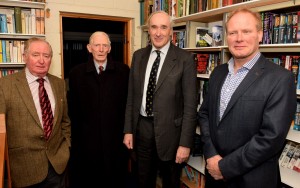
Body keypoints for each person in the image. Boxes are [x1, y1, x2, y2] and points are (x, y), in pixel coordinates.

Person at [197, 8, 297, 188]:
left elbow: (270, 138)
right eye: (233, 32)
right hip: (213, 172)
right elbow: (204, 115)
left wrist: (224, 167)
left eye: (246, 31)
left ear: (260, 34)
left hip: (252, 179)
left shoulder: (281, 78)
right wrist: (211, 154)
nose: (239, 38)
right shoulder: (218, 73)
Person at [123, 11, 198, 188]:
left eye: (163, 27)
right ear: (148, 30)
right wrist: (128, 130)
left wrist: (185, 144)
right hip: (142, 130)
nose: (158, 32)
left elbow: (190, 106)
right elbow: (131, 97)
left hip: (171, 134)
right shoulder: (138, 56)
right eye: (154, 27)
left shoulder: (185, 59)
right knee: (142, 181)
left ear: (171, 31)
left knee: (170, 182)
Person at [0, 37, 71, 187]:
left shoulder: (59, 84)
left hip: (57, 165)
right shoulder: (5, 85)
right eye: (36, 55)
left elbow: (65, 120)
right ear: (25, 57)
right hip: (24, 168)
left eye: (46, 56)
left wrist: (66, 147)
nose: (41, 60)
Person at [68, 31, 130, 187]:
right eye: (97, 45)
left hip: (116, 142)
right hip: (86, 143)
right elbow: (72, 111)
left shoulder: (124, 72)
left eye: (105, 45)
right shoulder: (76, 73)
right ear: (89, 48)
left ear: (109, 48)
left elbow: (129, 105)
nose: (101, 49)